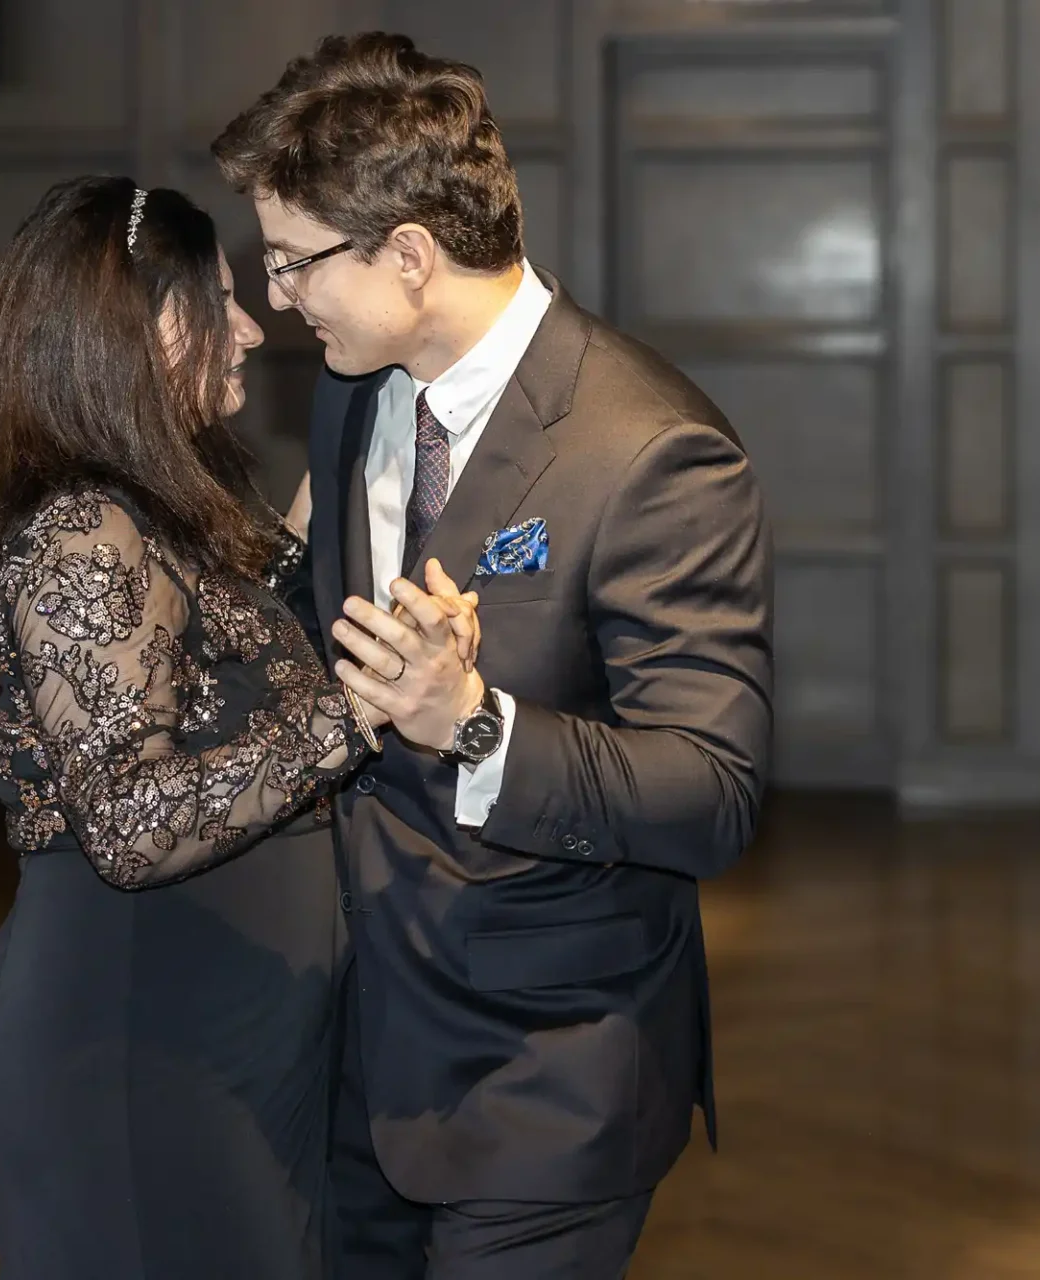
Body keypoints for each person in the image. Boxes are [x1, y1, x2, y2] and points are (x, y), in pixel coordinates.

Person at [213, 33, 776, 1279]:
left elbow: (712, 793)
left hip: (544, 1077)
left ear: (410, 255)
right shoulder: (359, 385)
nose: (276, 295)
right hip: (351, 1050)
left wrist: (472, 718)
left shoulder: (653, 453)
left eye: (297, 261)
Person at [0, 175, 478, 1280]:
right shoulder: (78, 529)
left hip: (222, 1038)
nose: (248, 324)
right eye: (215, 301)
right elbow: (133, 821)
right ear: (136, 330)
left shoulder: (151, 508)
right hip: (135, 1043)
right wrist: (367, 703)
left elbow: (248, 611)